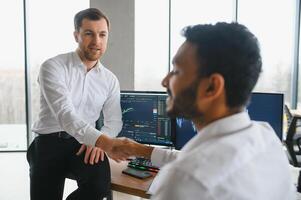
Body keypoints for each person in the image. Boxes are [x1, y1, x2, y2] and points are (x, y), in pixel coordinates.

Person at [111, 22, 295, 199]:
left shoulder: (186, 180)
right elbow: (206, 161)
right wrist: (140, 150)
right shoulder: (266, 138)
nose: (165, 81)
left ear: (212, 87)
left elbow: (196, 168)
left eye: (176, 71)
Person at [27, 8, 127, 200]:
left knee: (99, 189)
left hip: (85, 144)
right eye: (89, 33)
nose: (96, 41)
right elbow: (66, 115)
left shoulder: (110, 80)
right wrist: (101, 140)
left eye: (102, 34)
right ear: (76, 35)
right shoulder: (52, 67)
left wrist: (99, 141)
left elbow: (114, 121)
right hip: (48, 141)